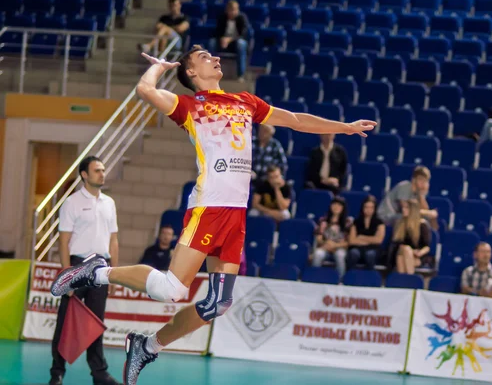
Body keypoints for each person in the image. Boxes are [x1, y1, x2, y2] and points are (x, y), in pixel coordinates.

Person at [50, 45, 376, 385]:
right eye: (205, 57)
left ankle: (147, 346)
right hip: (209, 208)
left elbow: (293, 120)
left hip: (236, 215)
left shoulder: (246, 101)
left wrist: (345, 127)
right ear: (191, 73)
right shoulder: (191, 107)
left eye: (214, 56)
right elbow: (145, 91)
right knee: (171, 290)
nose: (216, 58)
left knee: (218, 303)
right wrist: (160, 67)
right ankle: (97, 271)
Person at [49, 156, 120, 385]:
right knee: (65, 321)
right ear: (84, 175)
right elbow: (63, 241)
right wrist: (66, 278)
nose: (102, 173)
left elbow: (114, 240)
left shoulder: (109, 203)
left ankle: (99, 374)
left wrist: (115, 273)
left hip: (102, 266)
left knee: (95, 322)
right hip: (78, 265)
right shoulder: (71, 202)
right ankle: (57, 373)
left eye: (103, 170)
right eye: (97, 170)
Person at [207, 0, 249, 82]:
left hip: (236, 42)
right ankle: (211, 72)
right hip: (222, 41)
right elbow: (217, 32)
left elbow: (243, 35)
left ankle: (240, 75)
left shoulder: (242, 18)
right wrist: (221, 39)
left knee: (241, 44)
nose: (233, 12)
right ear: (227, 10)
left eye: (235, 9)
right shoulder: (222, 18)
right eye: (231, 10)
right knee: (211, 43)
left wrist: (229, 39)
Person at [311, 197, 352, 278]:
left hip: (340, 248)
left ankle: (340, 279)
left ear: (343, 208)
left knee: (340, 255)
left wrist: (334, 245)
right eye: (334, 204)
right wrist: (326, 244)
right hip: (325, 247)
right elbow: (319, 238)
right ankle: (314, 277)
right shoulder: (323, 220)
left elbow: (348, 242)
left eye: (339, 205)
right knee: (318, 254)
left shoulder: (348, 222)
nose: (336, 207)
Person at [388, 199, 431, 274]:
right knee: (404, 251)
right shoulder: (400, 224)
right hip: (402, 253)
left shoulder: (421, 225)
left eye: (406, 208)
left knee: (405, 252)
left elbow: (426, 247)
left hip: (418, 256)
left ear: (413, 210)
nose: (403, 210)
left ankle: (405, 280)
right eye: (403, 208)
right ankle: (408, 280)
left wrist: (418, 253)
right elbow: (396, 243)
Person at [347, 195, 386, 272]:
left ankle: (369, 276)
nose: (369, 210)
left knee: (370, 254)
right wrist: (370, 240)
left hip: (373, 249)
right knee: (353, 253)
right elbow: (351, 241)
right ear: (363, 208)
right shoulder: (356, 222)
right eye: (366, 207)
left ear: (375, 209)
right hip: (357, 248)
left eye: (371, 207)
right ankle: (349, 274)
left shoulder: (380, 223)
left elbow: (378, 240)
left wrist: (361, 237)